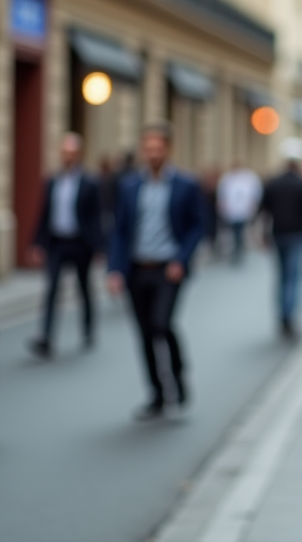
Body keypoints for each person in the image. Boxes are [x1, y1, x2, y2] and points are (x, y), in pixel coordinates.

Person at [107, 121, 207, 420]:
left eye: (157, 148)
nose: (152, 153)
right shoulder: (129, 186)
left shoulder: (186, 185)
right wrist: (115, 269)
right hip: (137, 268)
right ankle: (157, 394)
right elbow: (120, 231)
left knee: (161, 324)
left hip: (168, 269)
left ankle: (178, 376)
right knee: (144, 333)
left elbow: (198, 225)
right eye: (147, 148)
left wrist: (181, 259)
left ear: (168, 149)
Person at [29, 132, 102, 357]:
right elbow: (44, 214)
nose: (67, 157)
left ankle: (88, 329)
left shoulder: (90, 182)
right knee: (51, 290)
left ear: (79, 155)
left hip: (81, 243)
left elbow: (96, 217)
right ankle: (46, 337)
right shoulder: (52, 181)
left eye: (72, 153)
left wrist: (99, 247)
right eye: (64, 153)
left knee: (83, 288)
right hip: (57, 242)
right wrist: (36, 243)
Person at [259, 138, 302, 339]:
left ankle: (282, 314)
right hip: (298, 236)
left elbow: (264, 211)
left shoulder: (273, 183)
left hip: (279, 234)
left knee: (282, 278)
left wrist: (263, 235)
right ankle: (289, 315)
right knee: (293, 278)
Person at [216, 160, 262, 264]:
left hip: (243, 210)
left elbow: (255, 192)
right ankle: (236, 250)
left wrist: (253, 205)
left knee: (239, 231)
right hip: (232, 211)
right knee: (234, 232)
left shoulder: (249, 177)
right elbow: (222, 194)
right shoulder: (227, 178)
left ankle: (238, 250)